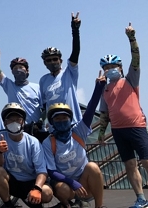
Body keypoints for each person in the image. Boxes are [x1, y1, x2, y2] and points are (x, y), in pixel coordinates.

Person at [97, 23, 148, 208]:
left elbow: (136, 59)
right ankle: (141, 199)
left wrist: (132, 37)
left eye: (114, 66)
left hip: (137, 126)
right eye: (107, 67)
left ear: (120, 67)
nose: (110, 69)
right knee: (130, 165)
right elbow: (104, 114)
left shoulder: (130, 79)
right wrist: (101, 133)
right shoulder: (105, 89)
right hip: (119, 131)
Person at [42, 73, 106, 208]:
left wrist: (99, 88)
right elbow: (51, 171)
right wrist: (72, 183)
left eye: (64, 118)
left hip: (85, 182)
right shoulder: (49, 142)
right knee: (61, 188)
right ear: (52, 122)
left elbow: (90, 110)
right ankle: (69, 205)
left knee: (93, 167)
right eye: (57, 119)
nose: (61, 121)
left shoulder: (78, 132)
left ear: (70, 119)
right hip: (68, 185)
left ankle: (99, 206)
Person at [0, 103, 53, 208]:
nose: (14, 122)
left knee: (47, 193)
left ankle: (34, 199)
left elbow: (42, 170)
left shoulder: (33, 142)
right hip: (12, 182)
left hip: (31, 182)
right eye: (10, 119)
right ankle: (8, 205)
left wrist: (37, 189)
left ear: (23, 122)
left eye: (18, 119)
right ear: (5, 123)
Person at [0, 39, 42, 131]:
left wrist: (40, 121)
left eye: (21, 67)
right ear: (12, 71)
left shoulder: (37, 87)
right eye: (15, 68)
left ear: (27, 70)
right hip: (17, 129)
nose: (18, 70)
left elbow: (44, 108)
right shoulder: (9, 85)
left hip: (36, 129)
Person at [39, 12, 82, 123]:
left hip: (73, 124)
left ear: (61, 61)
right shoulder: (43, 80)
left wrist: (75, 31)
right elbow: (44, 105)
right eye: (48, 60)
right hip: (54, 127)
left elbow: (75, 53)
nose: (52, 62)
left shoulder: (69, 73)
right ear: (44, 63)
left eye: (55, 59)